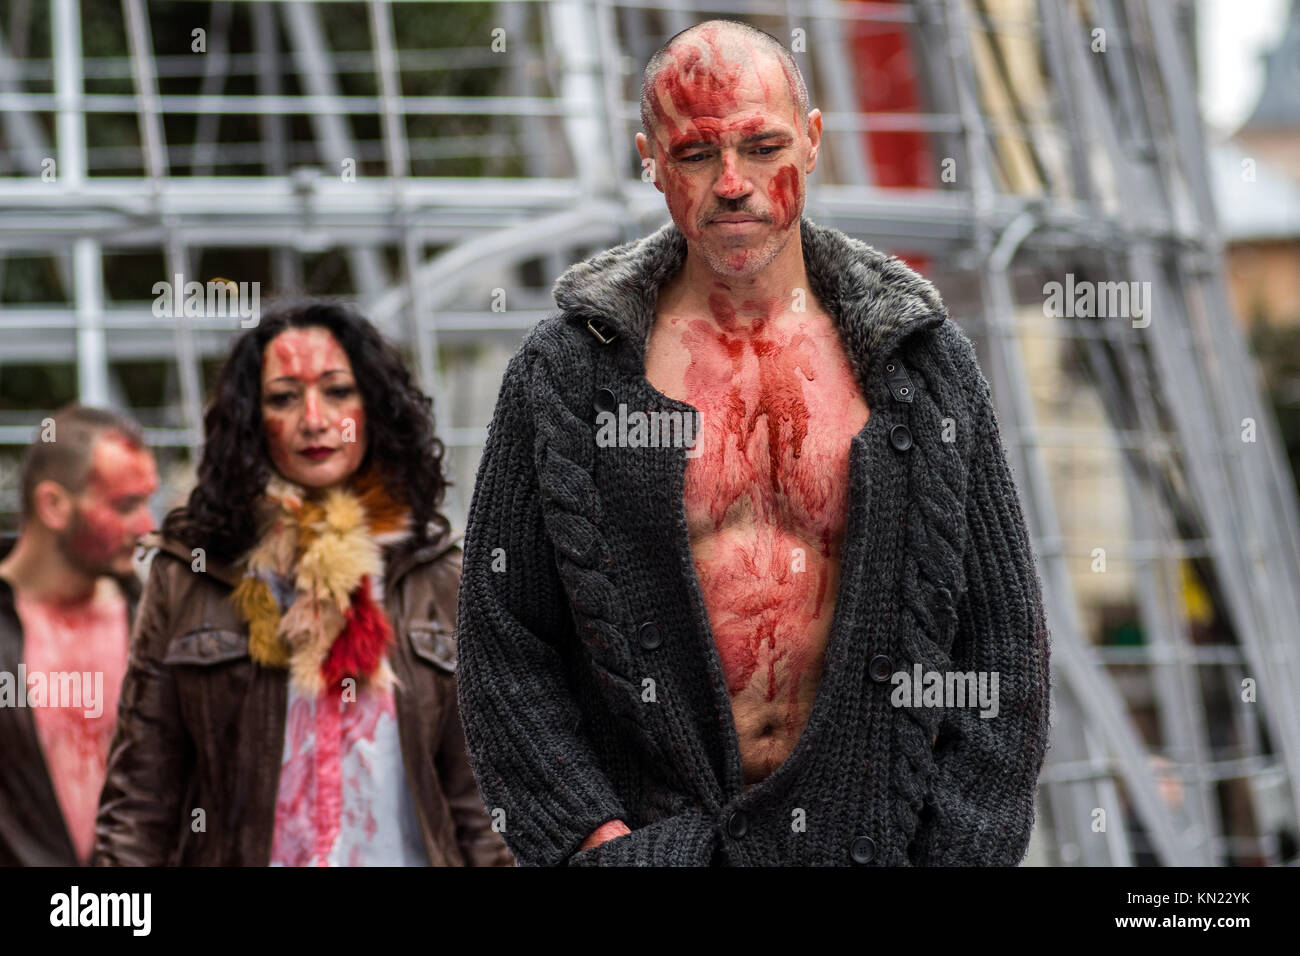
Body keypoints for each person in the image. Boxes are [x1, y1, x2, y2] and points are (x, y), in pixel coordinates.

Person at [456, 19, 1051, 865]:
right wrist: (594, 843)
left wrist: (961, 850)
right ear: (651, 161)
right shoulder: (569, 374)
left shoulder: (919, 364)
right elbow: (502, 635)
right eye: (696, 154)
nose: (733, 183)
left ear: (811, 143)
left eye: (762, 145)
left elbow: (1001, 641)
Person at [93, 299, 513, 867]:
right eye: (284, 398)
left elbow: (483, 807)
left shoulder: (442, 575)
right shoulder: (192, 574)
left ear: (374, 408)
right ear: (251, 420)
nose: (315, 419)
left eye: (338, 391)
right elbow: (142, 800)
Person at [0, 404, 158, 865]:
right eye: (125, 506)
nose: (147, 526)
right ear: (53, 505)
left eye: (148, 501)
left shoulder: (156, 626)